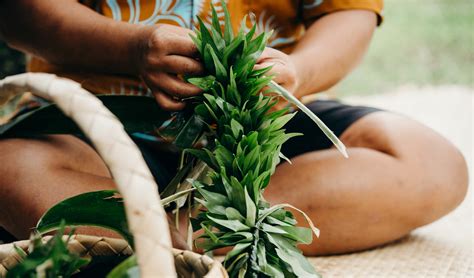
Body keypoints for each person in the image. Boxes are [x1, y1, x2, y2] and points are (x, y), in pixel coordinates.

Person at [0, 0, 468, 255]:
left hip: (266, 122)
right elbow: (24, 14)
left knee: (431, 164)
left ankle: (200, 233)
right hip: (98, 116)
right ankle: (160, 235)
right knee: (10, 168)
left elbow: (347, 13)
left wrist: (299, 72)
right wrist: (131, 48)